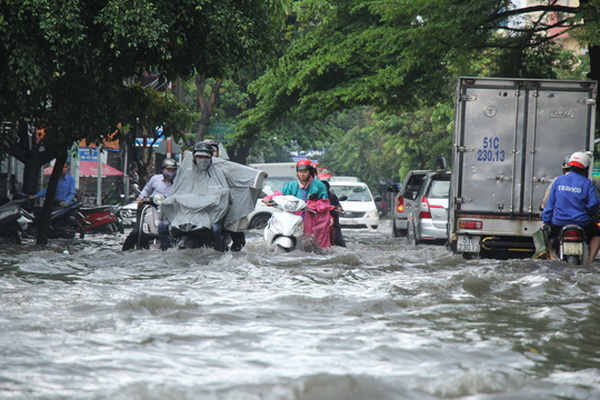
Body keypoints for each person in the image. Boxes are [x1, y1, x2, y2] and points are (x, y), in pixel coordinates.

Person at [542, 151, 600, 264]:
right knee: (597, 234)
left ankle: (552, 256)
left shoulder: (558, 181)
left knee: (545, 235)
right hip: (582, 222)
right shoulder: (587, 183)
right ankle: (589, 261)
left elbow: (550, 205)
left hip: (558, 222)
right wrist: (587, 213)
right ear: (586, 167)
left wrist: (546, 221)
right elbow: (595, 203)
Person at [262, 159, 332, 248]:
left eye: (305, 172)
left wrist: (311, 205)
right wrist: (269, 198)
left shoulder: (319, 185)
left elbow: (325, 203)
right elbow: (279, 193)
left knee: (316, 245)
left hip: (315, 219)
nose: (302, 174)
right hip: (296, 217)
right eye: (300, 172)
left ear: (310, 172)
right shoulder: (291, 185)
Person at [122, 158, 178, 251]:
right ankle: (126, 250)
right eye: (168, 170)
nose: (170, 172)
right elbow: (146, 190)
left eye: (173, 170)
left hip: (171, 211)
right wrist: (141, 198)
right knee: (136, 231)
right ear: (163, 170)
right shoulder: (155, 179)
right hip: (154, 208)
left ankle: (168, 248)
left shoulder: (179, 182)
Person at [323, 180, 346, 247]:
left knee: (337, 231)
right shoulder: (315, 195)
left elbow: (337, 204)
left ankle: (341, 246)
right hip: (319, 217)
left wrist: (338, 208)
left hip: (332, 216)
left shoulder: (332, 195)